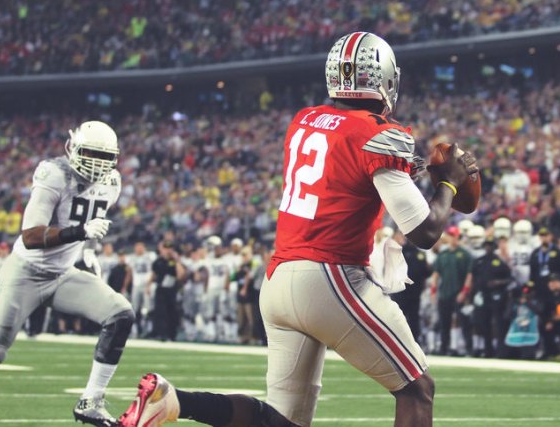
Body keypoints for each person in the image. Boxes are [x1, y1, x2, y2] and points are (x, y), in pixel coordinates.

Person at [118, 31, 478, 427]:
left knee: (281, 421)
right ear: (386, 78)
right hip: (331, 278)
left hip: (278, 281)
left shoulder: (304, 121)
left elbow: (349, 167)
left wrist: (417, 169)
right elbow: (424, 232)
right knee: (417, 389)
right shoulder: (378, 135)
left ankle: (173, 402)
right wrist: (449, 184)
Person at [0, 121, 134, 426]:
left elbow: (90, 228)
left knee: (121, 313)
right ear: (73, 148)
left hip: (63, 274)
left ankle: (91, 401)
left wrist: (88, 252)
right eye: (91, 152)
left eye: (103, 155)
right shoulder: (54, 174)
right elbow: (30, 235)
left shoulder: (112, 183)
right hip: (25, 273)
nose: (96, 161)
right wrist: (80, 232)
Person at [431, 227, 474, 356]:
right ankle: (444, 348)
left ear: (458, 237)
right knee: (444, 322)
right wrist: (433, 291)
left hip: (458, 292)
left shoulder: (465, 254)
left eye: (454, 235)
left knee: (464, 322)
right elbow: (436, 274)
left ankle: (468, 348)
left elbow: (469, 275)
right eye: (450, 235)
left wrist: (464, 292)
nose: (452, 238)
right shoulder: (443, 255)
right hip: (444, 293)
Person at [472, 237, 513, 358]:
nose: (488, 247)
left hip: (496, 296)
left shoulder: (499, 262)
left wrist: (498, 282)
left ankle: (500, 351)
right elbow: (473, 278)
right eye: (486, 245)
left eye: (490, 245)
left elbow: (509, 278)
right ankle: (487, 350)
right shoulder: (479, 261)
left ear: (494, 247)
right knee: (483, 324)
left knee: (499, 324)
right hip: (482, 295)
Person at [391, 230, 432, 345]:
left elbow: (425, 272)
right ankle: (404, 340)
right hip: (403, 291)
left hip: (411, 292)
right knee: (404, 317)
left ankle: (412, 341)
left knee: (411, 318)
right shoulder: (399, 252)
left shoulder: (418, 254)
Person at [150, 241, 185, 341]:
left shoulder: (175, 262)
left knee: (172, 312)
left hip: (172, 289)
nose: (168, 250)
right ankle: (162, 334)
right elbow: (154, 274)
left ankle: (172, 334)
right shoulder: (158, 261)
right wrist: (148, 286)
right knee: (160, 312)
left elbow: (180, 275)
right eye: (166, 248)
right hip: (161, 288)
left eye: (170, 248)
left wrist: (177, 260)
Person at [126, 241, 156, 337]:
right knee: (135, 308)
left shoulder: (150, 256)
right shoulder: (131, 258)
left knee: (147, 308)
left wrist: (149, 285)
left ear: (144, 247)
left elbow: (153, 271)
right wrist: (125, 286)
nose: (138, 249)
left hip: (147, 284)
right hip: (136, 285)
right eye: (136, 247)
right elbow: (129, 273)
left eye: (140, 247)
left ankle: (148, 328)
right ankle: (136, 329)